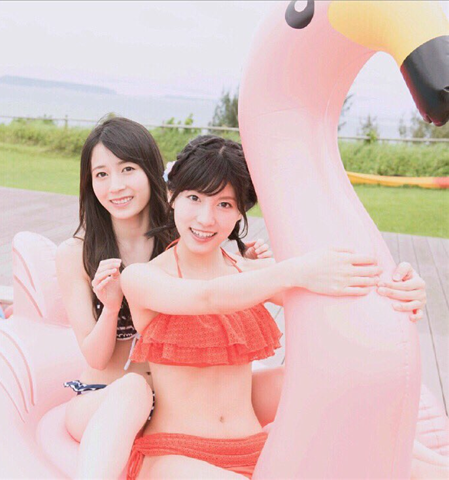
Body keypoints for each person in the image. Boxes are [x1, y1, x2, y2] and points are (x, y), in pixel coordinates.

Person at [122, 135, 426, 479]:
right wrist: (293, 270)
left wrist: (399, 288)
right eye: (194, 198)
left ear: (240, 212)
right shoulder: (142, 278)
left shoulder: (255, 274)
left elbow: (340, 301)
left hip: (256, 451)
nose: (206, 219)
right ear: (172, 196)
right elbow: (206, 297)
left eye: (224, 204)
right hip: (175, 456)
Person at [56, 119, 272, 479]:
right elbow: (94, 356)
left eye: (128, 169)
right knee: (134, 389)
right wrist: (111, 306)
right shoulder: (76, 253)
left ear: (152, 172)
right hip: (108, 395)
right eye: (101, 174)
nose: (116, 186)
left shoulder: (182, 236)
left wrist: (245, 262)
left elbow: (213, 290)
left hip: (169, 403)